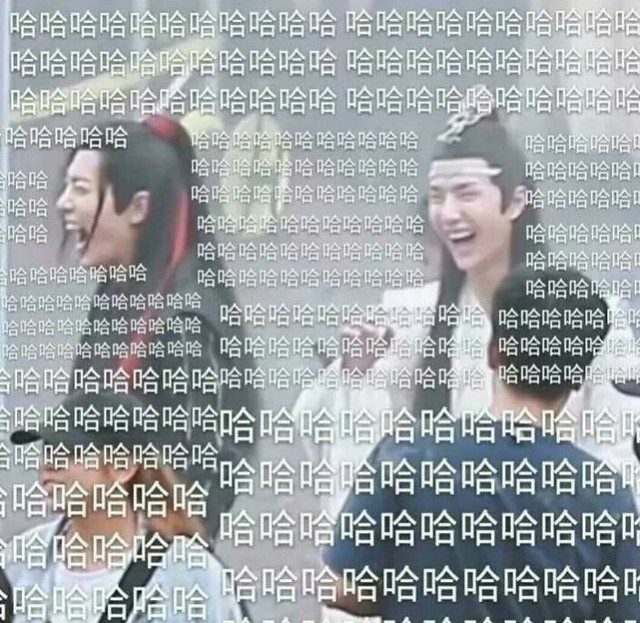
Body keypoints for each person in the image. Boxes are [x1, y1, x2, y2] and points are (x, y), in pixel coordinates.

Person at [293, 87, 640, 521]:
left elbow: (621, 454)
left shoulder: (588, 316)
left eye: (465, 193)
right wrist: (357, 379)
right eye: (437, 197)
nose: (448, 213)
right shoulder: (407, 318)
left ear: (515, 202)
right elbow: (353, 459)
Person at [322, 266, 640, 621]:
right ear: (578, 376)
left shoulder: (408, 453)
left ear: (493, 353)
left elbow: (343, 588)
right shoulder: (606, 496)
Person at [56, 114, 261, 540]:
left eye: (80, 188)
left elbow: (198, 485)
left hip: (154, 565)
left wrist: (137, 562)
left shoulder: (187, 323)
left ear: (139, 207)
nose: (64, 203)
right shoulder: (119, 295)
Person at [5, 391, 243, 623]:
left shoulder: (192, 576)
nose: (49, 464)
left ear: (122, 467)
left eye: (69, 450)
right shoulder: (19, 561)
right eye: (47, 449)